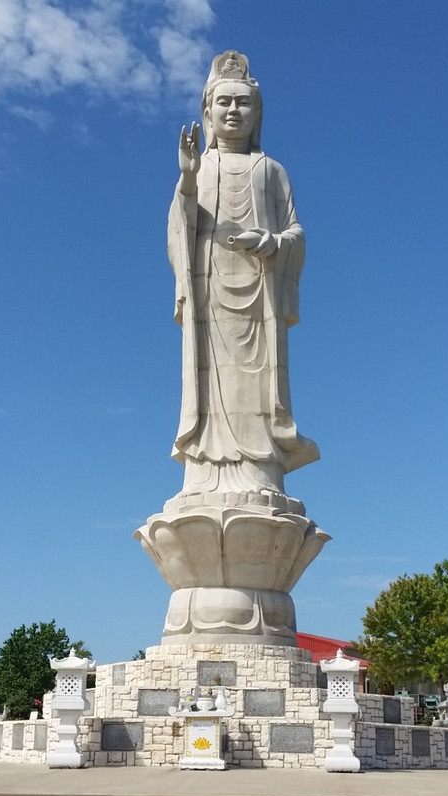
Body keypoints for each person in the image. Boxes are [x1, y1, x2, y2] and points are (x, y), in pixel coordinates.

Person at [168, 51, 318, 500]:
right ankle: (206, 471)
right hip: (210, 296)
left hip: (261, 299)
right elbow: (179, 229)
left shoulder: (271, 171)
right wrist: (188, 179)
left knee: (258, 380)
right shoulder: (199, 168)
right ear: (207, 112)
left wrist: (272, 244)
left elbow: (296, 233)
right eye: (224, 103)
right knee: (211, 380)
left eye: (243, 103)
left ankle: (258, 467)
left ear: (257, 113)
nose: (233, 111)